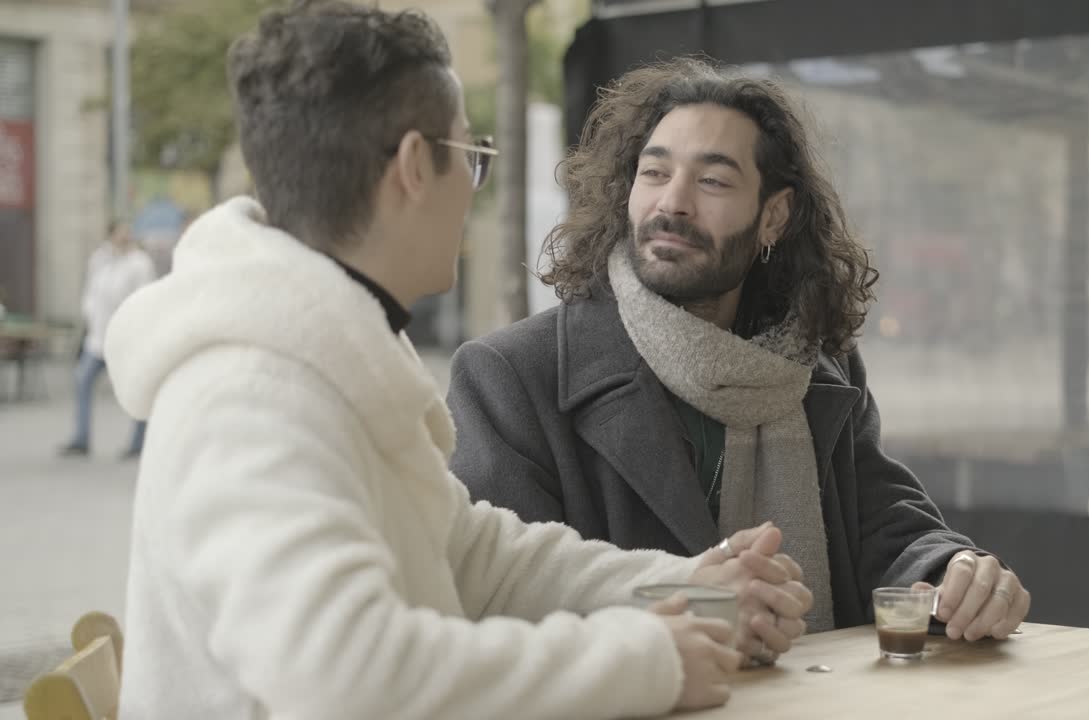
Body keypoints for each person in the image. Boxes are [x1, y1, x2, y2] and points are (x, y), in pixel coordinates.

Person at [101, 5, 811, 719]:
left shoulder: (330, 353)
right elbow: (345, 675)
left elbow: (476, 556)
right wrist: (644, 659)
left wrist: (690, 585)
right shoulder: (252, 394)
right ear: (415, 165)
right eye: (472, 159)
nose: (471, 193)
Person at [447, 57, 1031, 642]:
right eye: (654, 173)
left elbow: (886, 527)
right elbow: (504, 598)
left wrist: (954, 572)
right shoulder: (510, 377)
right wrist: (696, 609)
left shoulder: (816, 370)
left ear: (773, 216)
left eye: (713, 181)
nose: (672, 203)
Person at [59, 219, 154, 459]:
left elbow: (143, 299)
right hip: (97, 340)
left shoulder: (139, 263)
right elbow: (90, 293)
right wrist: (89, 315)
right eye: (121, 231)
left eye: (128, 231)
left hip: (126, 340)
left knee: (137, 387)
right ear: (111, 233)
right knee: (82, 381)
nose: (125, 235)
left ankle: (138, 442)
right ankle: (81, 438)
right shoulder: (100, 260)